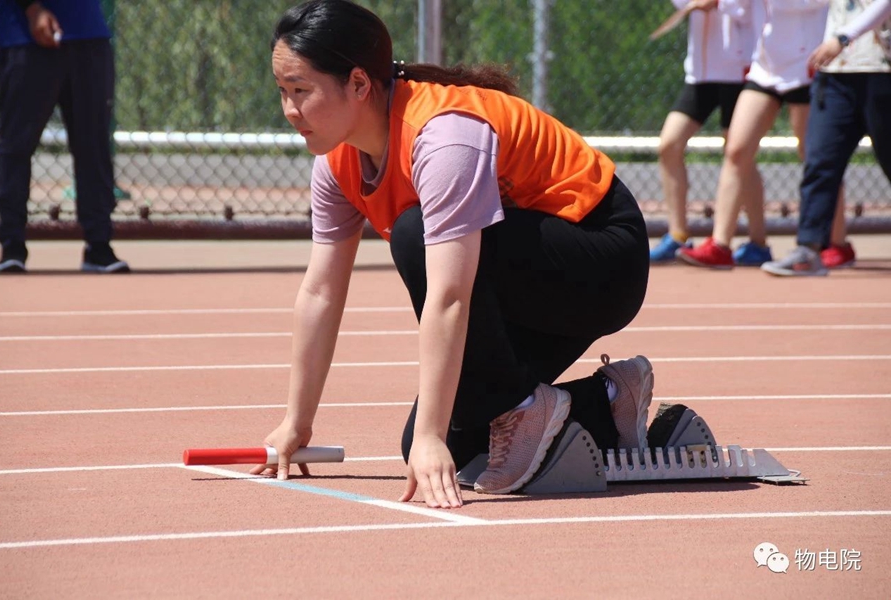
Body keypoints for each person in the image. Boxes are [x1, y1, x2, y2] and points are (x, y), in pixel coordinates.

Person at [250, 0, 655, 508]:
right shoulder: (337, 161)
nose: (290, 110)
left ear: (358, 84)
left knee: (414, 235)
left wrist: (431, 434)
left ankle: (526, 409)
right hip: (520, 278)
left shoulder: (443, 138)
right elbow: (320, 292)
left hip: (602, 260)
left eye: (301, 91)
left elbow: (449, 295)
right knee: (450, 445)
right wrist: (297, 422)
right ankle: (612, 400)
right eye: (283, 91)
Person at [676, 0, 852, 269]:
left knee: (814, 157)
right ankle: (720, 245)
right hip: (766, 68)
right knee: (737, 150)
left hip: (807, 64)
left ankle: (838, 244)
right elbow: (739, 9)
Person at [0, 0, 129, 273]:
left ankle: (98, 246)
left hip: (88, 34)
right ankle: (12, 247)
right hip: (24, 36)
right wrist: (33, 9)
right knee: (17, 146)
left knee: (93, 146)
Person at [763, 0, 891, 276]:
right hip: (834, 75)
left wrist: (843, 37)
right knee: (820, 162)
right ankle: (808, 250)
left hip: (882, 72)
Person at [651, 0, 753, 262]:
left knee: (739, 155)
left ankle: (758, 242)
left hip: (740, 70)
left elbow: (755, 9)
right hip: (701, 73)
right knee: (669, 145)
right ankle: (678, 235)